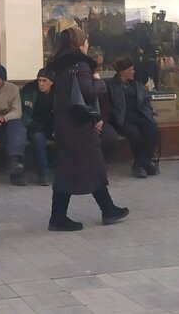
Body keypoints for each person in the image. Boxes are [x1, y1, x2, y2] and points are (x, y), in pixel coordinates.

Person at [47, 27, 128, 231]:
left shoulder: (61, 64)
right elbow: (89, 92)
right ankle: (59, 218)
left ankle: (107, 209)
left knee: (79, 168)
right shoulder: (81, 64)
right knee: (86, 167)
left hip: (65, 124)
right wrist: (99, 82)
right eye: (86, 41)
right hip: (79, 126)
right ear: (80, 43)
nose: (88, 45)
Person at [105, 57, 161, 179]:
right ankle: (144, 164)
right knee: (134, 134)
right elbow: (107, 105)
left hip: (139, 116)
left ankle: (140, 164)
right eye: (131, 69)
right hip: (122, 119)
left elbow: (146, 100)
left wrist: (148, 113)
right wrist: (114, 115)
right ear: (123, 71)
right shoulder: (111, 86)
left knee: (154, 132)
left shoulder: (136, 85)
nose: (134, 72)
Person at [20, 68, 55, 186]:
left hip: (51, 125)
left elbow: (62, 112)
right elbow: (19, 110)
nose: (41, 83)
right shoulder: (29, 90)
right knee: (38, 138)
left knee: (67, 135)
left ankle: (70, 172)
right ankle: (43, 174)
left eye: (44, 81)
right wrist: (30, 123)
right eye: (39, 80)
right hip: (32, 125)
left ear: (51, 82)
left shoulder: (58, 92)